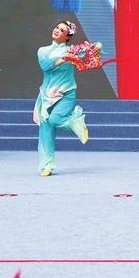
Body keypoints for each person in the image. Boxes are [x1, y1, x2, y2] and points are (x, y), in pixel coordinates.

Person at [34, 20, 90, 176]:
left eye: (62, 30)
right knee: (45, 131)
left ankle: (76, 122)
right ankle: (47, 166)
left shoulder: (73, 50)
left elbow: (91, 50)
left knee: (55, 120)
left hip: (66, 93)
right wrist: (66, 58)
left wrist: (95, 47)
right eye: (57, 27)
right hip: (46, 95)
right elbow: (45, 66)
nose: (57, 30)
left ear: (68, 36)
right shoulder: (43, 50)